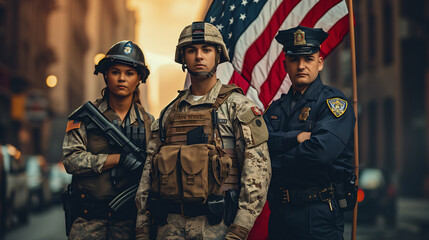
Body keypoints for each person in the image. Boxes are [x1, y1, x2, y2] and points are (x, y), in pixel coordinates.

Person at [135, 21, 271, 240]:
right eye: (191, 50)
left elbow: (257, 171)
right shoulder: (170, 112)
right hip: (169, 227)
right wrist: (142, 226)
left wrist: (240, 228)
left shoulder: (239, 107)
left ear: (218, 56)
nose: (199, 56)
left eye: (206, 50)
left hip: (217, 227)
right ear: (183, 58)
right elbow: (149, 171)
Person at [263, 26, 356, 240]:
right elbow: (257, 146)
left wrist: (275, 158)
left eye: (309, 59)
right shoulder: (275, 109)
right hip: (280, 215)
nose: (301, 65)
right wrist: (295, 138)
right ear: (285, 64)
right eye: (294, 59)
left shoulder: (332, 103)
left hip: (318, 213)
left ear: (320, 62)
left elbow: (320, 152)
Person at [63, 40, 154, 240]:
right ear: (106, 75)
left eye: (129, 73)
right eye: (115, 72)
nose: (122, 78)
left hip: (129, 224)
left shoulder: (149, 124)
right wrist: (117, 159)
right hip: (87, 221)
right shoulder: (86, 118)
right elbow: (71, 160)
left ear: (139, 78)